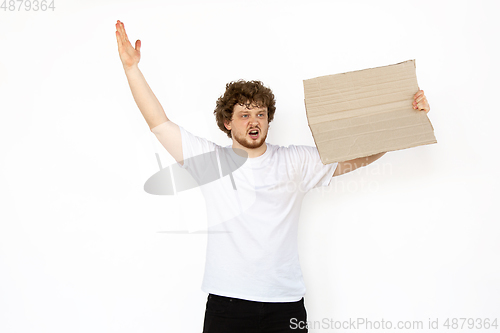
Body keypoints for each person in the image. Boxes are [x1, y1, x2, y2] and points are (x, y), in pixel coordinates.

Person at [115, 20, 430, 333]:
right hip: (228, 305)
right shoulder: (211, 162)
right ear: (227, 122)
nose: (254, 121)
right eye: (245, 114)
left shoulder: (295, 161)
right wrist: (132, 70)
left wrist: (407, 116)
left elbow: (359, 155)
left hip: (286, 306)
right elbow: (159, 123)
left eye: (261, 114)